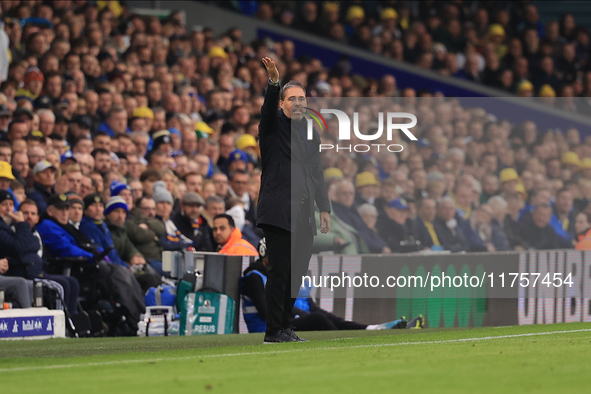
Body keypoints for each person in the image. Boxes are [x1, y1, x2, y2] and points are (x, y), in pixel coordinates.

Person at [257, 57, 331, 344]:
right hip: (278, 211)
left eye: (302, 98)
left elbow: (317, 171)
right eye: (293, 99)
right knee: (280, 272)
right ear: (282, 103)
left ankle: (286, 327)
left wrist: (324, 207)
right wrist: (274, 82)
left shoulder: (311, 131)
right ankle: (273, 331)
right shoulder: (272, 126)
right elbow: (266, 110)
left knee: (296, 275)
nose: (299, 103)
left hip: (303, 214)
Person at [240, 238, 418, 334]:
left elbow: (310, 306)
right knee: (318, 319)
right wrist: (302, 313)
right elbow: (266, 311)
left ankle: (370, 329)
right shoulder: (254, 277)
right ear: (265, 256)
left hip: (289, 321)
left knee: (329, 317)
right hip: (267, 329)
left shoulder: (286, 276)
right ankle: (350, 339)